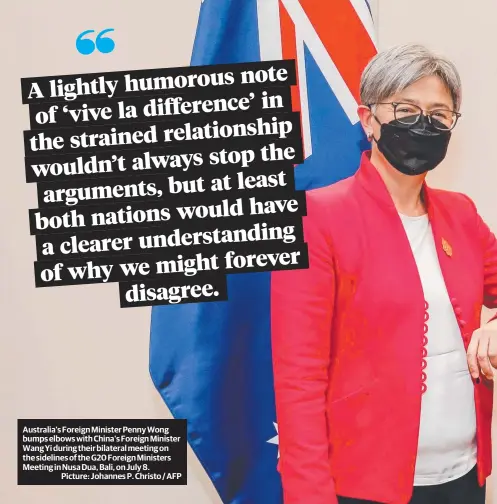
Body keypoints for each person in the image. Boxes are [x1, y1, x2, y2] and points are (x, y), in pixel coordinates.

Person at [271, 43, 497, 504]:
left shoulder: (461, 214)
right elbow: (299, 380)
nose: (423, 124)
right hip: (365, 486)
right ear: (369, 118)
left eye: (439, 114)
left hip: (463, 477)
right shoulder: (318, 218)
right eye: (406, 109)